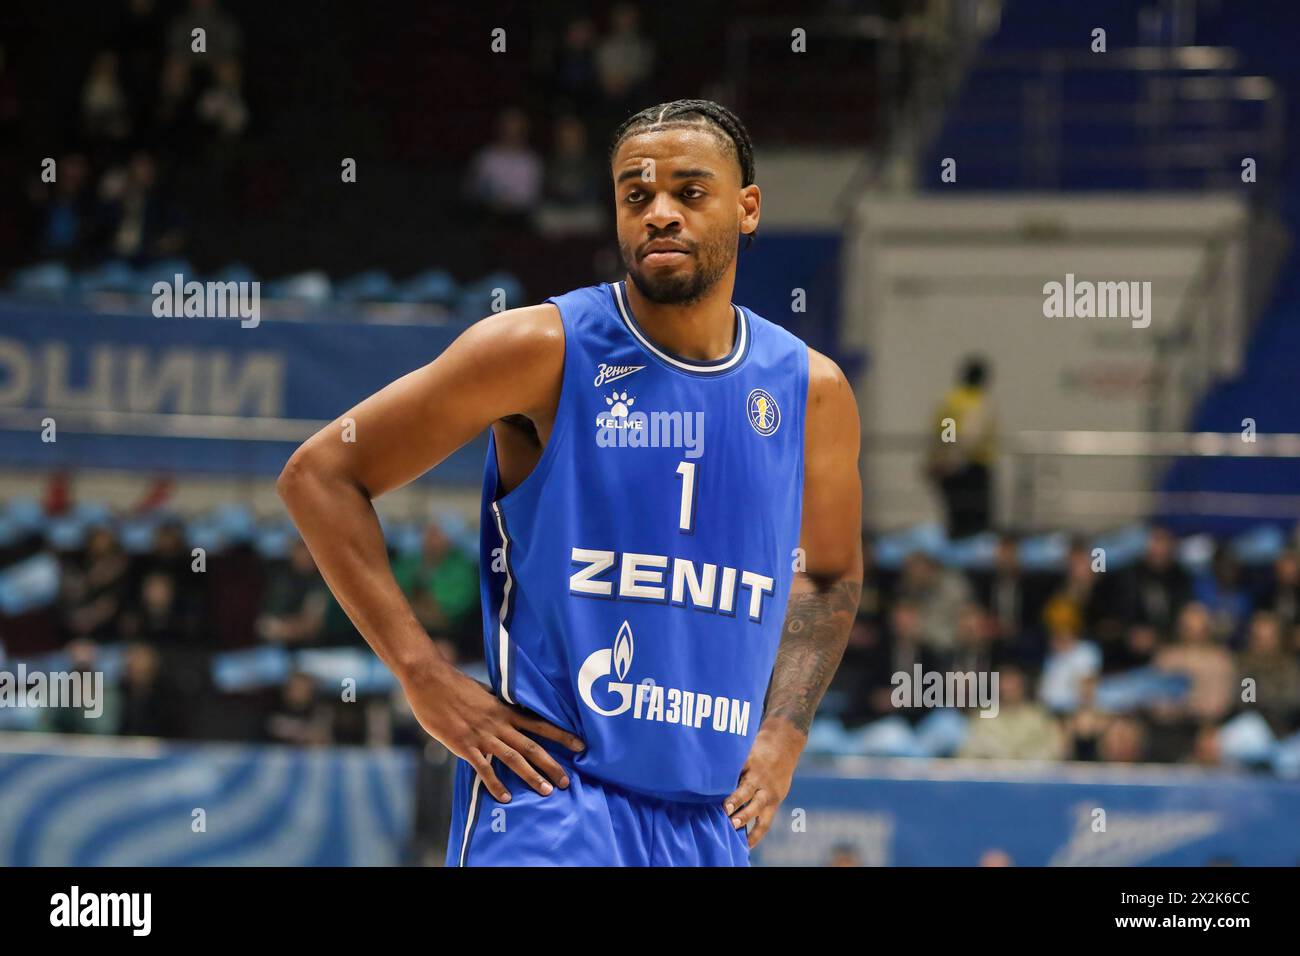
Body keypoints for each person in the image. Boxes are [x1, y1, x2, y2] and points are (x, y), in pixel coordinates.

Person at [279, 99, 863, 866]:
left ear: (747, 208)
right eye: (635, 195)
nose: (658, 214)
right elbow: (321, 474)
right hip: (553, 803)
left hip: (707, 825)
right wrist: (422, 675)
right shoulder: (539, 350)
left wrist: (785, 728)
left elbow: (829, 572)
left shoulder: (810, 391)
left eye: (689, 193)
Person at [925, 355, 996, 539]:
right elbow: (967, 436)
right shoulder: (978, 402)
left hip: (952, 464)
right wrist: (953, 458)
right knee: (975, 517)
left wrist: (940, 457)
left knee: (955, 515)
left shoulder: (951, 400)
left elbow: (945, 430)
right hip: (973, 465)